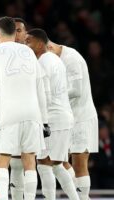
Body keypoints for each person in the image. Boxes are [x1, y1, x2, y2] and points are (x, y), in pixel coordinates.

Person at [0, 16, 48, 200]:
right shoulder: (29, 53)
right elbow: (40, 88)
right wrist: (44, 121)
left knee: (3, 160)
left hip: (8, 113)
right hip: (32, 113)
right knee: (30, 162)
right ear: (15, 32)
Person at [26, 28, 79, 200]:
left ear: (40, 43)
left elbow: (46, 94)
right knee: (57, 165)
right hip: (64, 116)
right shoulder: (55, 60)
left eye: (29, 41)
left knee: (44, 164)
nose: (26, 44)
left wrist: (41, 119)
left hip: (53, 117)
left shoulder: (43, 62)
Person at [48, 39, 98, 200]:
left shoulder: (72, 58)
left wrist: (50, 96)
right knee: (58, 161)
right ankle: (81, 198)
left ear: (49, 46)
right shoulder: (51, 60)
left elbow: (76, 90)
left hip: (81, 117)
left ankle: (83, 198)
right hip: (65, 117)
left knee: (79, 163)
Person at [9, 17, 28, 200]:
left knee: (49, 163)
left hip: (34, 115)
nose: (16, 34)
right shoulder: (1, 55)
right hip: (11, 113)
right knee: (15, 162)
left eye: (19, 30)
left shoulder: (35, 54)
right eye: (13, 31)